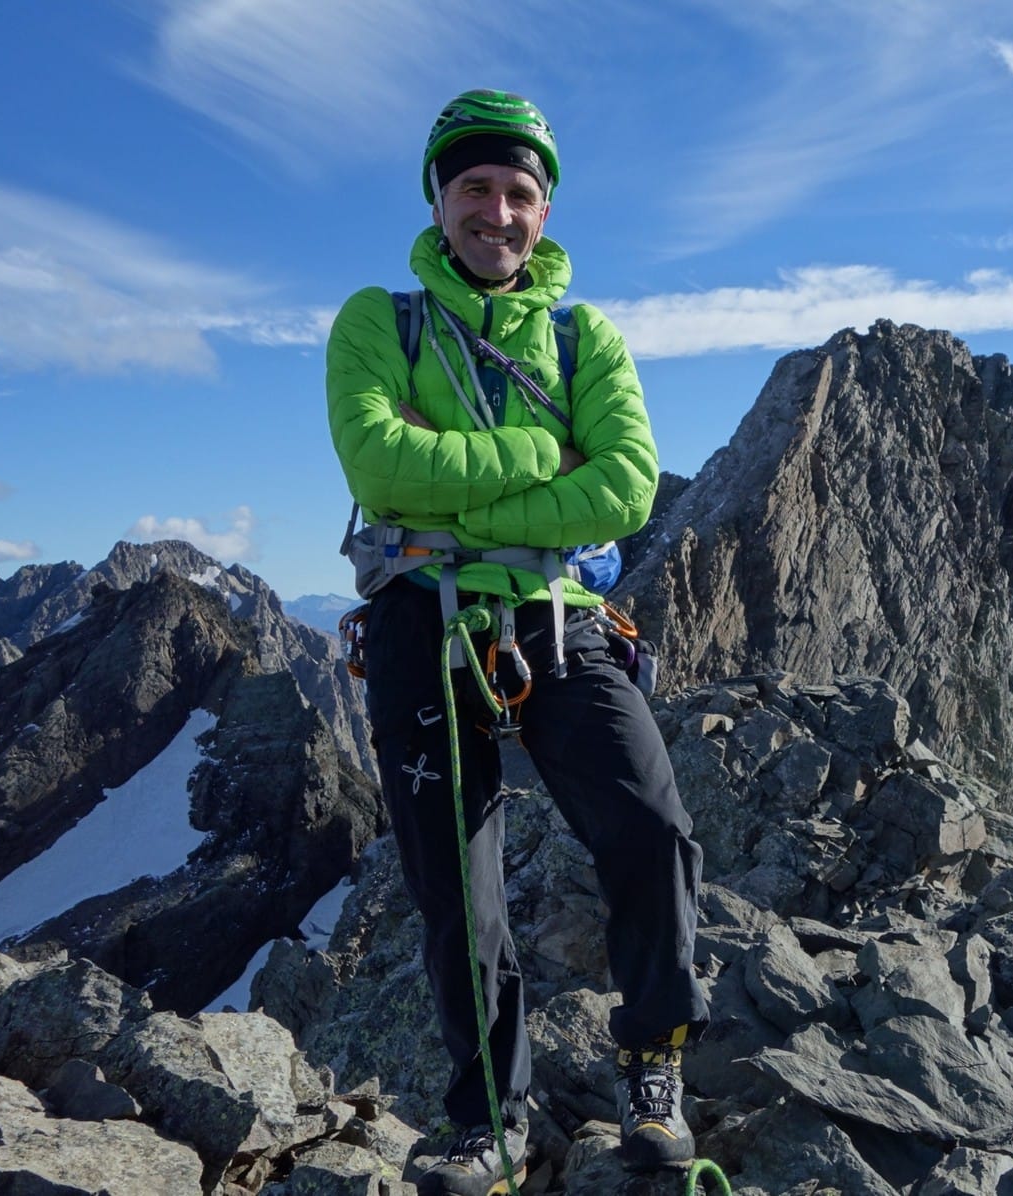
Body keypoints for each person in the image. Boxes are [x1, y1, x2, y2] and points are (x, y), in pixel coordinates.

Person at [324, 89, 708, 1196]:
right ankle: (490, 1114)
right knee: (459, 886)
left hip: (558, 624)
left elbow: (628, 488)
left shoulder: (586, 335)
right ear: (440, 202)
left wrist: (459, 513)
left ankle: (652, 1064)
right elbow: (379, 468)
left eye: (518, 194)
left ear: (544, 211)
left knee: (651, 830)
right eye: (475, 189)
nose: (497, 212)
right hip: (420, 625)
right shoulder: (376, 321)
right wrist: (548, 459)